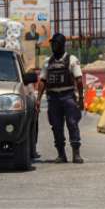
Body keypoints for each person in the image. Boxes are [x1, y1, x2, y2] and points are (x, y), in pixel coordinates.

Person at [36, 33, 85, 163]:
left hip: (68, 96)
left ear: (62, 45)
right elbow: (42, 81)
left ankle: (76, 154)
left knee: (72, 124)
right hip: (53, 98)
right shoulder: (48, 62)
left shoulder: (72, 60)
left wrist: (81, 99)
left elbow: (79, 80)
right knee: (56, 126)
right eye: (52, 43)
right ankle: (61, 154)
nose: (53, 46)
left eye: (56, 43)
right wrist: (38, 99)